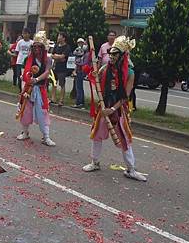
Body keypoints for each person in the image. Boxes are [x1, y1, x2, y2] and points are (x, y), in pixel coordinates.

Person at [83, 36, 147, 182]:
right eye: (110, 54)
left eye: (115, 54)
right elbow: (96, 81)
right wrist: (94, 75)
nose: (111, 57)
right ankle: (95, 162)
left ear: (122, 56)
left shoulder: (130, 73)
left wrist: (112, 109)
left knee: (125, 139)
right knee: (96, 135)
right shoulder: (105, 68)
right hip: (103, 107)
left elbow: (126, 96)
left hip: (118, 110)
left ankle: (131, 169)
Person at [16, 31, 55, 146]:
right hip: (29, 89)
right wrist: (27, 78)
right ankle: (25, 132)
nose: (37, 49)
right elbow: (26, 72)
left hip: (40, 88)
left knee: (43, 112)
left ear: (43, 48)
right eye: (35, 47)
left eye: (39, 47)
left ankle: (46, 137)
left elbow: (47, 72)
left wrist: (37, 80)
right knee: (25, 111)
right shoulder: (29, 57)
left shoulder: (48, 59)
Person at [51, 32, 72, 106]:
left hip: (63, 68)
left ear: (64, 38)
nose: (58, 37)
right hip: (55, 67)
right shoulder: (56, 46)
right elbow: (52, 55)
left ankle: (61, 100)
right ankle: (53, 98)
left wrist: (58, 57)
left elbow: (63, 57)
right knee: (54, 83)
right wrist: (58, 57)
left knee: (62, 84)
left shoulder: (67, 47)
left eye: (60, 36)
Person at [72, 38, 88, 109]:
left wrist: (78, 62)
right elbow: (75, 53)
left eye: (82, 43)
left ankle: (80, 102)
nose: (80, 44)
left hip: (81, 71)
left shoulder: (86, 54)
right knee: (78, 87)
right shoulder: (77, 50)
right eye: (79, 43)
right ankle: (79, 101)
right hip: (78, 70)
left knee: (79, 87)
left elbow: (83, 63)